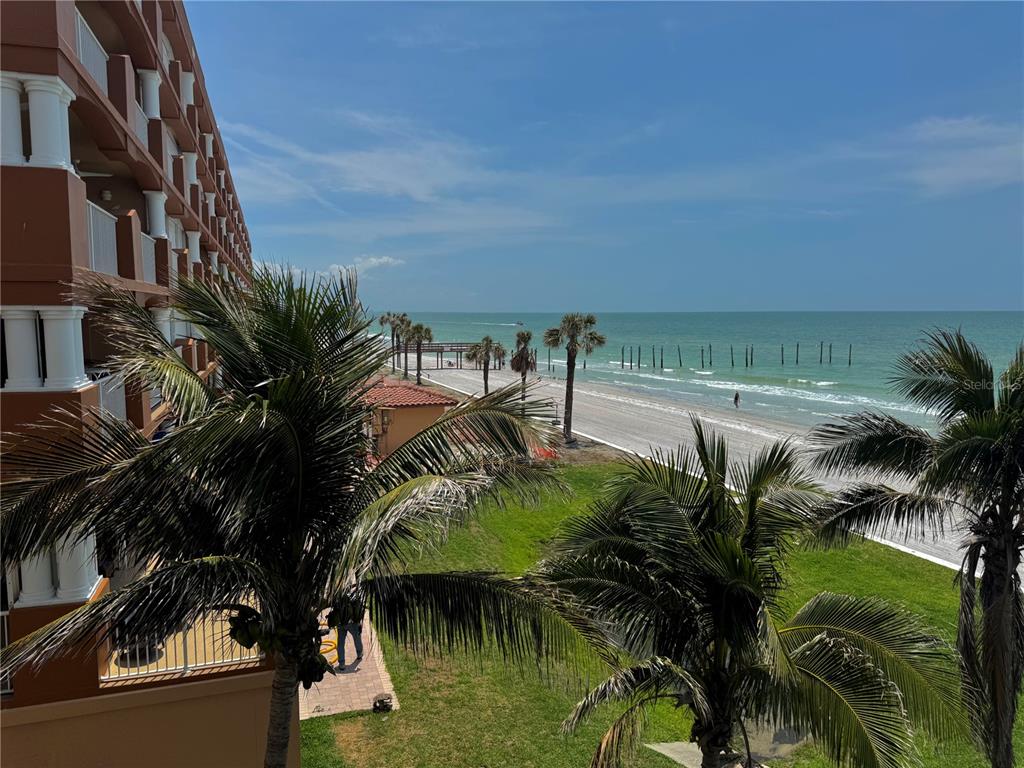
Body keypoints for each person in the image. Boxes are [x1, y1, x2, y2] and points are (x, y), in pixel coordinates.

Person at [333, 594, 365, 672]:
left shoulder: (337, 595)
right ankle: (359, 654)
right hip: (352, 623)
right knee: (357, 638)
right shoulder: (353, 595)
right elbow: (359, 610)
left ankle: (342, 664)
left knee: (340, 643)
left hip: (340, 624)